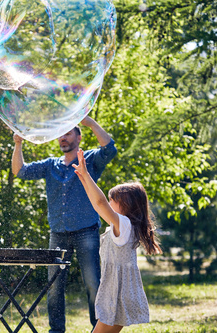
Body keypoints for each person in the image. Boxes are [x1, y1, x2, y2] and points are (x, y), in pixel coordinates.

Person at [11, 116, 117, 333]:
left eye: (68, 133)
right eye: (60, 134)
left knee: (93, 283)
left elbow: (110, 150)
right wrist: (18, 143)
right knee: (54, 287)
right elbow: (19, 171)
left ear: (78, 137)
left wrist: (91, 123)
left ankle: (98, 329)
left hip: (87, 231)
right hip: (58, 234)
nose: (63, 137)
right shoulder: (51, 165)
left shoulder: (89, 159)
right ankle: (56, 331)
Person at [72, 148, 162, 333]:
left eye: (113, 199)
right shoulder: (122, 226)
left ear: (126, 204)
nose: (109, 203)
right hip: (118, 293)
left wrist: (87, 175)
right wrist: (83, 179)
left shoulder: (124, 224)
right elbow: (97, 204)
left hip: (118, 294)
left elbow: (100, 204)